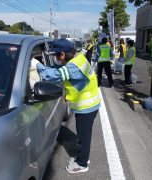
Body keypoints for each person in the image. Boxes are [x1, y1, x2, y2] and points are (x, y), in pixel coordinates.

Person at [30, 38, 100, 174]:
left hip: (86, 107)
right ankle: (84, 157)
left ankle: (82, 163)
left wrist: (37, 65)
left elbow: (52, 76)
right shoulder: (78, 59)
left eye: (56, 55)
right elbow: (61, 69)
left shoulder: (73, 67)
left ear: (62, 54)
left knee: (83, 137)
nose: (56, 58)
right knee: (84, 136)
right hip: (91, 104)